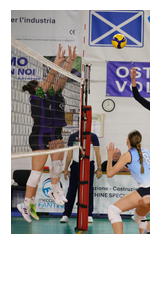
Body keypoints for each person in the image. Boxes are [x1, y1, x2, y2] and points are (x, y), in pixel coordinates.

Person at [17, 45, 77, 223]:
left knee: (57, 164)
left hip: (53, 132)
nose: (47, 84)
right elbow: (51, 78)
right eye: (41, 84)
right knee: (36, 173)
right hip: (40, 135)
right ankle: (26, 204)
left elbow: (61, 78)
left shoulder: (53, 95)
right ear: (37, 88)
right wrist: (56, 63)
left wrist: (70, 61)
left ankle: (55, 190)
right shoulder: (36, 97)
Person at [106, 130, 150, 234]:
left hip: (148, 189)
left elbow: (109, 174)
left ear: (127, 140)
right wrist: (127, 169)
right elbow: (143, 169)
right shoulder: (145, 151)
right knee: (139, 216)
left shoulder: (128, 154)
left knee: (112, 210)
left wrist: (109, 156)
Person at [61, 131, 102, 224]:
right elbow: (69, 153)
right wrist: (66, 168)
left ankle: (89, 215)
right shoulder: (73, 136)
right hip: (76, 165)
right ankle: (66, 214)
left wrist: (99, 168)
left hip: (88, 165)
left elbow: (97, 152)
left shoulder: (93, 136)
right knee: (72, 190)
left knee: (89, 190)